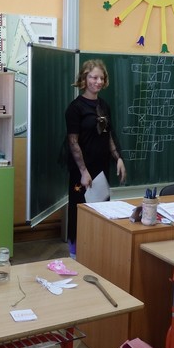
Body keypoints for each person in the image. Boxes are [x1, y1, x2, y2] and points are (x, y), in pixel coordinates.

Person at [64, 59, 126, 258]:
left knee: (101, 208)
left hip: (101, 168)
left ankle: (96, 251)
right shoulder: (75, 108)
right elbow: (73, 142)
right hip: (82, 170)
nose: (98, 82)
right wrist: (83, 171)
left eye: (101, 78)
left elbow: (108, 135)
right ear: (84, 79)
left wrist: (118, 158)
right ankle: (75, 254)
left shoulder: (104, 106)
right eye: (93, 77)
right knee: (80, 209)